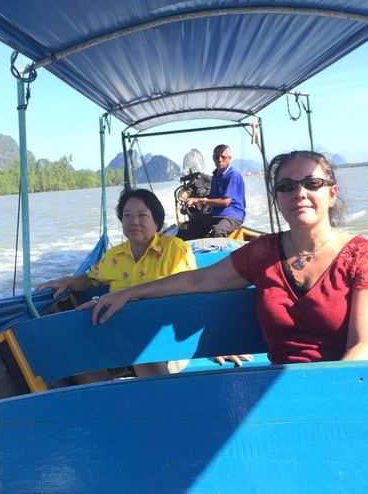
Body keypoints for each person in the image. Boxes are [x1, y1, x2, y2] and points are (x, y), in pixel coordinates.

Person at [81, 151, 368, 365]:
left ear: (332, 194)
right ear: (277, 199)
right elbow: (197, 280)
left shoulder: (360, 256)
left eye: (312, 183)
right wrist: (127, 293)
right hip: (276, 388)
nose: (299, 193)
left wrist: (327, 400)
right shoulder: (263, 252)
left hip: (341, 391)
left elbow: (362, 347)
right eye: (286, 186)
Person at [36, 188, 197, 381]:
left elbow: (190, 291)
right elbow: (89, 279)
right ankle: (106, 396)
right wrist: (69, 280)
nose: (134, 221)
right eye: (127, 215)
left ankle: (159, 395)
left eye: (142, 215)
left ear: (157, 221)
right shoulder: (115, 256)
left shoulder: (175, 250)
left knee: (140, 346)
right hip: (118, 334)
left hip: (164, 336)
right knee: (72, 348)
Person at [177, 144, 246, 240]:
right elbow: (211, 198)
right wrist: (195, 202)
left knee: (218, 230)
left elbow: (226, 202)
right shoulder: (215, 175)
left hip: (233, 214)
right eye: (217, 157)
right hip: (217, 213)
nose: (220, 159)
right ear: (213, 158)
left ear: (229, 158)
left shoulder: (233, 176)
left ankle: (221, 250)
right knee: (187, 227)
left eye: (223, 157)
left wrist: (202, 200)